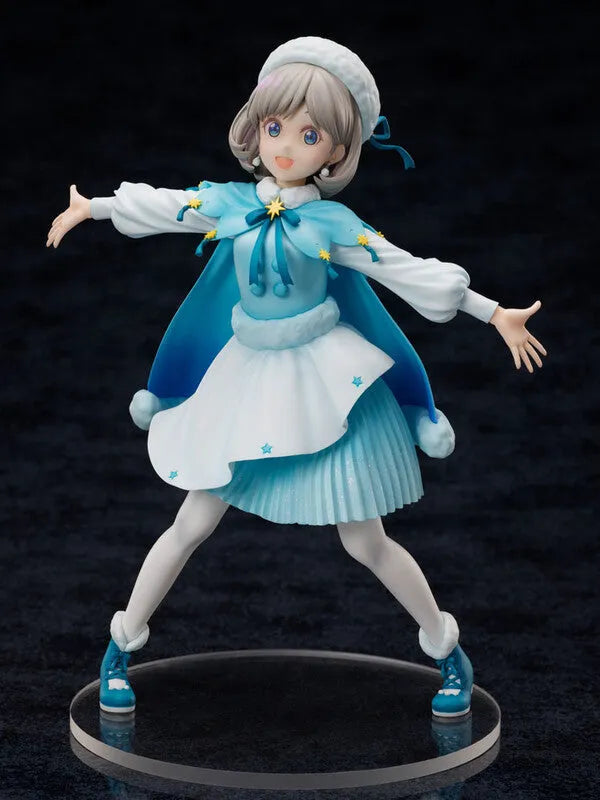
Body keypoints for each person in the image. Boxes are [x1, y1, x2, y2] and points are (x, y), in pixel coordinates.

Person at [46, 36, 546, 718]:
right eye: (275, 127)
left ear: (336, 151)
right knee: (191, 521)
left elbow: (404, 269)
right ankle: (119, 648)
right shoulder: (230, 204)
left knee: (365, 540)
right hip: (247, 379)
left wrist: (492, 314)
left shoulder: (333, 223)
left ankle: (447, 651)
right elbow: (169, 207)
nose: (285, 146)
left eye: (309, 135)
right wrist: (96, 207)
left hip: (324, 384)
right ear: (256, 126)